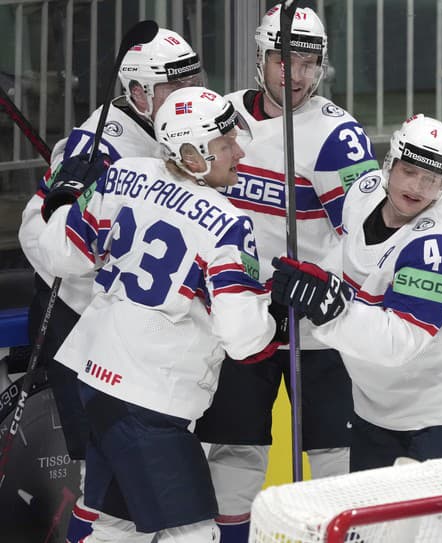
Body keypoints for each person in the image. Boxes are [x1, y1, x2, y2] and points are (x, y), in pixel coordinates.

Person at [36, 86, 284, 543]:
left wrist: (61, 197)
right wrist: (272, 311)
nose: (239, 150)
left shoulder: (122, 175)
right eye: (224, 143)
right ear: (191, 155)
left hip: (97, 379)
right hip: (149, 398)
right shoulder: (228, 221)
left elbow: (60, 255)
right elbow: (243, 336)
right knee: (192, 533)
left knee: (116, 526)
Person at [193, 5, 379, 540]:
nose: (294, 75)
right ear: (261, 57)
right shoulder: (221, 115)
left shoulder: (337, 134)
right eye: (282, 59)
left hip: (315, 323)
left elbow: (366, 232)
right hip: (238, 315)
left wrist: (332, 284)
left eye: (307, 62)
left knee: (334, 456)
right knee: (232, 451)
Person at [16, 28, 202, 543]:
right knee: (105, 483)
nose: (187, 95)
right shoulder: (94, 145)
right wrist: (59, 202)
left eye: (193, 80)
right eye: (173, 85)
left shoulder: (187, 129)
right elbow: (49, 248)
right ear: (139, 91)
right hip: (88, 333)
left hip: (149, 346)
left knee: (130, 489)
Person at [271, 114, 442, 472]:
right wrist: (314, 286)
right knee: (372, 527)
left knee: (424, 528)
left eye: (432, 179)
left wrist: (331, 310)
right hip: (378, 403)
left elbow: (400, 341)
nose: (417, 187)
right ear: (390, 164)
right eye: (409, 171)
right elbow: (351, 257)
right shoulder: (363, 194)